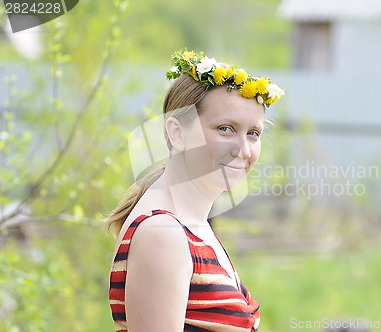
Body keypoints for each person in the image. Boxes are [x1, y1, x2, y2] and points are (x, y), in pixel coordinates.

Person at [106, 49, 284, 332]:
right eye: (225, 129)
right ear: (177, 133)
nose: (244, 149)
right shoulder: (162, 234)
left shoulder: (190, 224)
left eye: (253, 133)